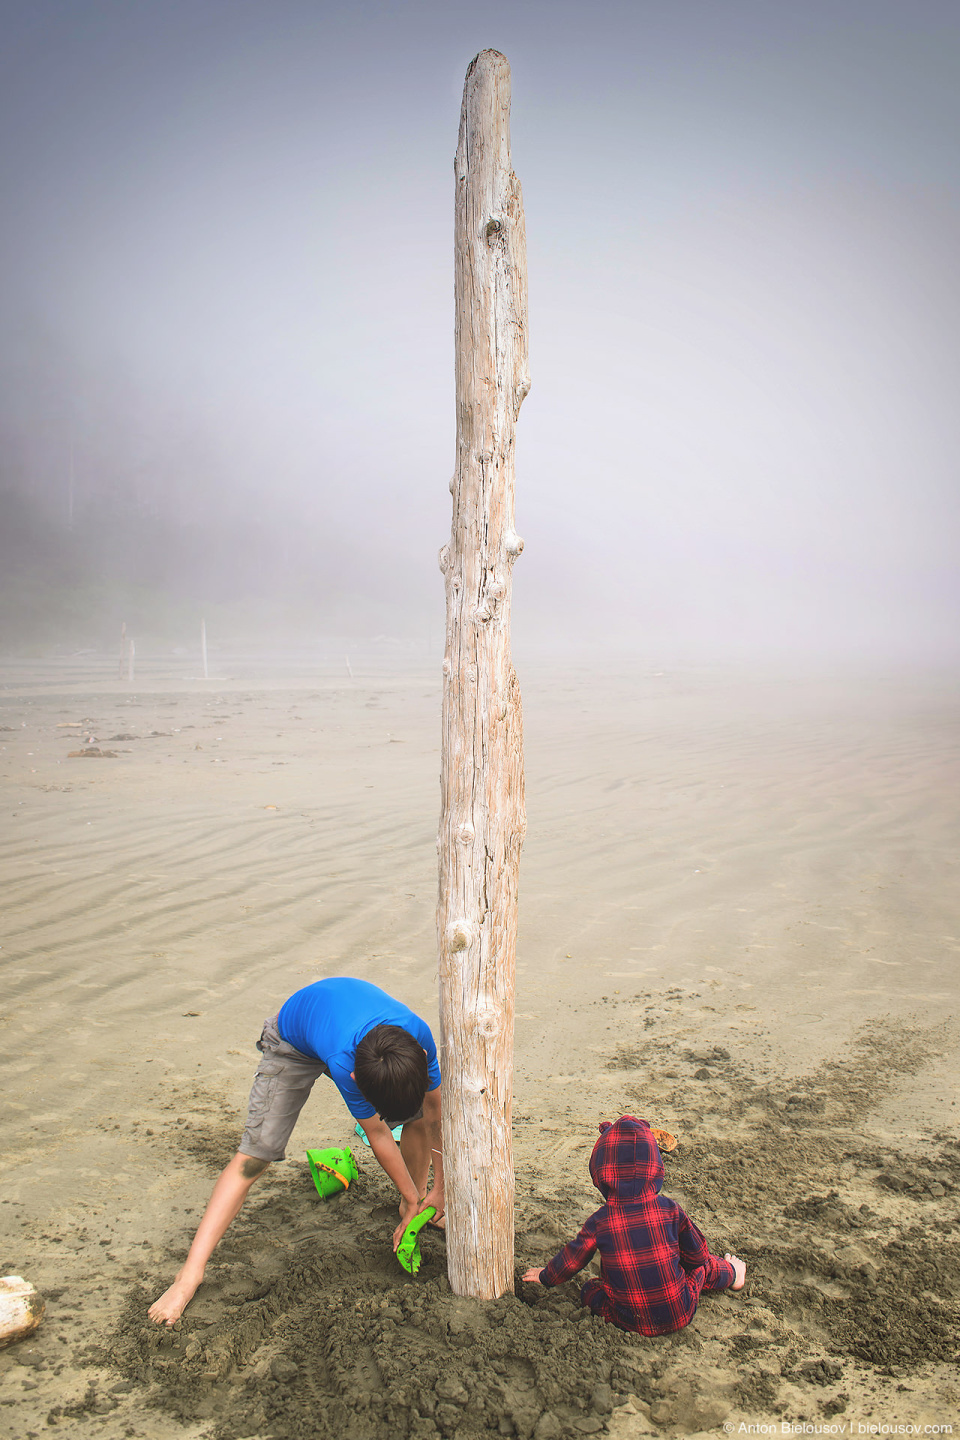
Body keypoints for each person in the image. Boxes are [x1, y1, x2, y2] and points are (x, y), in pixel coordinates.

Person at [148, 976, 444, 1326]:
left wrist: (437, 1191)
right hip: (294, 1039)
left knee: (419, 1113)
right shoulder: (344, 1064)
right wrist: (412, 1198)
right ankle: (189, 1277)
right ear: (352, 1080)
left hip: (357, 1034)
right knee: (254, 1158)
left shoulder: (418, 1036)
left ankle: (417, 1202)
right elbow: (378, 1133)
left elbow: (435, 1115)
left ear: (423, 1057)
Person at [521, 1114, 745, 1335]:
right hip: (681, 1313)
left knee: (590, 1288)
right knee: (702, 1268)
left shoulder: (600, 1220)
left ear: (600, 1169)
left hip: (628, 1321)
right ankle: (733, 1273)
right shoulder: (670, 1209)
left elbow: (572, 1259)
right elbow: (698, 1256)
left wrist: (545, 1276)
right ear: (654, 1165)